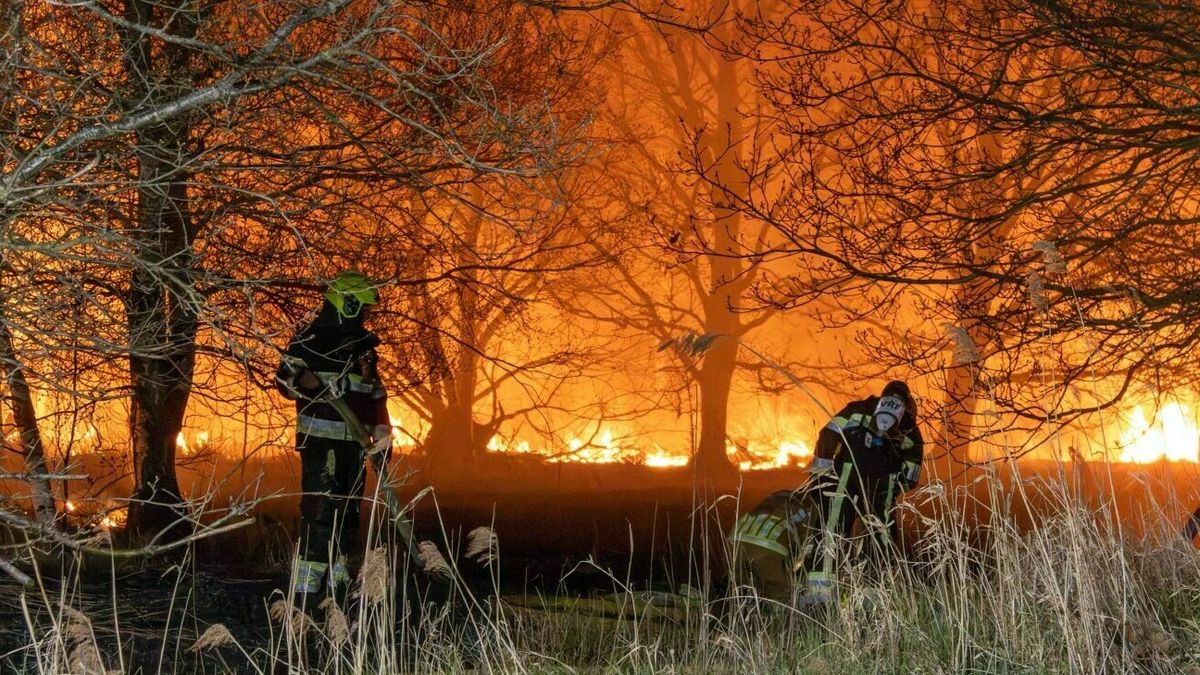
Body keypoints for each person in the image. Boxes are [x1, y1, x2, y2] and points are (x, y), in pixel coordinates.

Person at [274, 271, 392, 606]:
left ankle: (338, 590)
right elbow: (283, 381)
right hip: (320, 444)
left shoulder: (363, 350)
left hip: (354, 448)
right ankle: (306, 594)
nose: (366, 315)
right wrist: (302, 379)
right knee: (320, 513)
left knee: (348, 515)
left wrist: (383, 444)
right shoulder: (308, 341)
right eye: (363, 308)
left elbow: (375, 399)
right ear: (348, 303)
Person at [804, 380, 924, 601]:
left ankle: (819, 594)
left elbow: (828, 434)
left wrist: (821, 472)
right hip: (881, 487)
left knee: (830, 532)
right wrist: (892, 486)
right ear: (907, 402)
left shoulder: (856, 409)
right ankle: (872, 594)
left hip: (843, 480)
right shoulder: (909, 426)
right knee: (880, 536)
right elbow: (911, 476)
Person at [730, 487, 822, 605]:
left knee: (740, 594)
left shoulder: (778, 496)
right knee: (781, 596)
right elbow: (808, 548)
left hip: (734, 541)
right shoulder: (813, 507)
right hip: (768, 545)